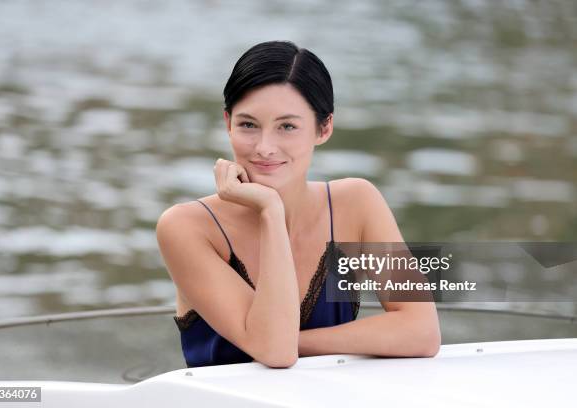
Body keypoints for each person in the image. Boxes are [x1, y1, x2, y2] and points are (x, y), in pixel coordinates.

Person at [156, 40, 441, 368]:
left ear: (324, 128)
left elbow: (422, 331)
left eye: (287, 126)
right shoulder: (186, 227)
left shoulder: (356, 203)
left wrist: (290, 340)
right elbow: (276, 355)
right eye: (248, 124)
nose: (265, 147)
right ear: (227, 123)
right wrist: (271, 212)